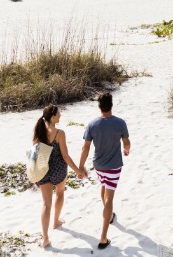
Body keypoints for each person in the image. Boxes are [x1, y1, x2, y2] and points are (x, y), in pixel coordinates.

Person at [79, 92, 130, 251]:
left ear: (99, 106)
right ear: (111, 105)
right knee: (109, 197)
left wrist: (80, 166)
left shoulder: (92, 124)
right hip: (113, 166)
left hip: (99, 165)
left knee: (103, 186)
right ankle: (103, 237)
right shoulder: (120, 123)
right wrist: (126, 149)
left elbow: (85, 147)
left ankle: (109, 215)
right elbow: (126, 142)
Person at [33, 104, 82, 248]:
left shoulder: (38, 131)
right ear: (53, 117)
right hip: (58, 170)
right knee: (60, 194)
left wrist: (36, 176)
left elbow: (34, 156)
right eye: (59, 114)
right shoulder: (59, 133)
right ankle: (56, 221)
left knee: (45, 205)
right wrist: (78, 171)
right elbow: (65, 156)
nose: (60, 115)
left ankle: (45, 238)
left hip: (42, 170)